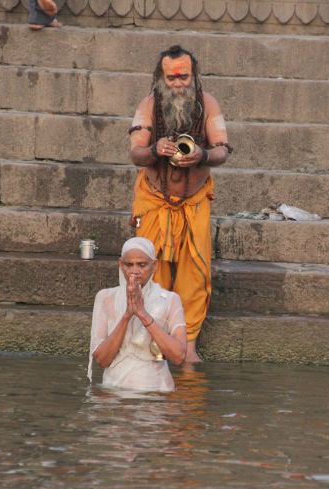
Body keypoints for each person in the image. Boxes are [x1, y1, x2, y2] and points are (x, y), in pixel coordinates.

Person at [128, 45, 232, 364]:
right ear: (161, 76)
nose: (177, 83)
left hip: (194, 202)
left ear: (193, 75)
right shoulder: (148, 105)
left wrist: (201, 155)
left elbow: (223, 150)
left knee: (194, 275)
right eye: (171, 77)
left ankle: (187, 345)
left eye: (183, 76)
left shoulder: (208, 104)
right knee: (150, 271)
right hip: (155, 201)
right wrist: (156, 149)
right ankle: (153, 340)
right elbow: (135, 153)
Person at [87, 237, 187, 392]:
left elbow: (179, 356)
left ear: (154, 265)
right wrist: (127, 315)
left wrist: (143, 314)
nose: (134, 271)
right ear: (121, 264)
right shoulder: (105, 298)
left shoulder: (170, 300)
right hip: (114, 392)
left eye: (142, 265)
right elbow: (102, 360)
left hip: (156, 393)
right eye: (129, 264)